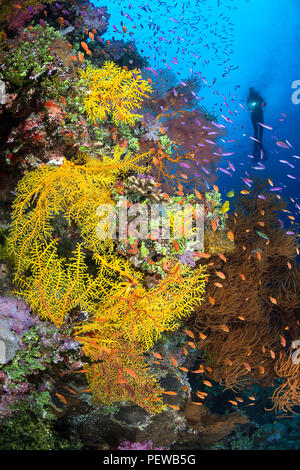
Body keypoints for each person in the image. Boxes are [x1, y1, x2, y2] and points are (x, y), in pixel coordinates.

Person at [247, 87, 268, 161]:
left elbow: (264, 104)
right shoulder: (249, 97)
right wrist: (252, 105)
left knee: (260, 128)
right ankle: (257, 143)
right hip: (255, 114)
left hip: (259, 113)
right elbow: (249, 108)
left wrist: (263, 104)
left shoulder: (257, 95)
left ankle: (259, 142)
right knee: (257, 129)